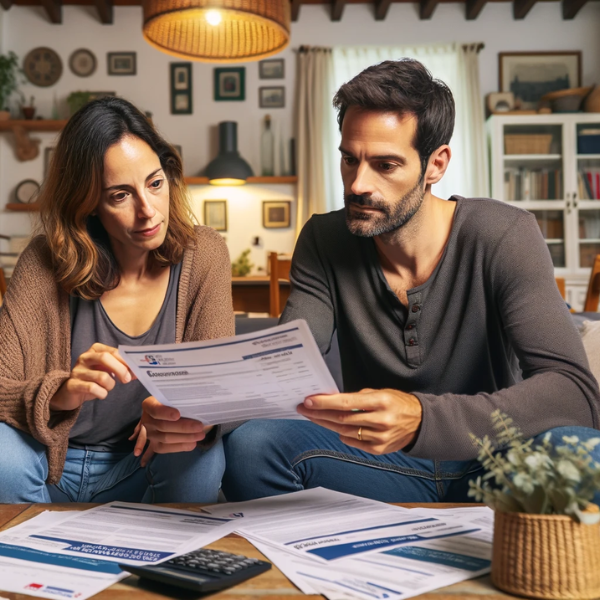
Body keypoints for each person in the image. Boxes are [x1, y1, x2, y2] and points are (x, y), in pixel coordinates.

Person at [217, 59, 600, 503]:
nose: (358, 184)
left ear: (435, 164)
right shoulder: (324, 238)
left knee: (585, 454)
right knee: (251, 447)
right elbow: (282, 362)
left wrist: (422, 418)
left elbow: (573, 394)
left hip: (495, 458)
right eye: (349, 159)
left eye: (385, 165)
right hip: (379, 461)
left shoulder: (503, 234)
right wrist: (200, 412)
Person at [0, 96, 234, 504]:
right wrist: (61, 391)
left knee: (199, 454)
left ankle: (169, 562)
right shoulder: (42, 261)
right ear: (87, 204)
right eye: (120, 195)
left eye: (155, 183)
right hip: (49, 466)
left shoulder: (205, 254)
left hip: (143, 469)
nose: (148, 211)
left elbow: (222, 388)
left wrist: (174, 411)